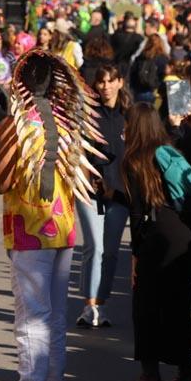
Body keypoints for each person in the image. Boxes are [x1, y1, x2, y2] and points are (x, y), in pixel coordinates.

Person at [0, 49, 101, 381]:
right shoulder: (68, 120)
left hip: (29, 227)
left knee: (31, 319)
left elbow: (0, 180)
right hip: (62, 226)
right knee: (56, 318)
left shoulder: (18, 123)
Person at [121, 103, 191, 381]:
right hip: (186, 234)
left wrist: (135, 255)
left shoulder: (134, 159)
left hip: (158, 235)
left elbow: (137, 212)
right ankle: (187, 375)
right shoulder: (170, 152)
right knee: (178, 307)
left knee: (145, 306)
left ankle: (150, 375)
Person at [76, 62, 130, 328]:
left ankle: (102, 303)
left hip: (120, 193)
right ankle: (90, 306)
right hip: (90, 190)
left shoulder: (129, 115)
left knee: (110, 252)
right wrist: (91, 177)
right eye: (101, 81)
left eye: (111, 81)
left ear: (120, 82)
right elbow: (77, 152)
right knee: (94, 247)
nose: (106, 86)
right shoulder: (88, 114)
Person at [129, 32, 167, 104]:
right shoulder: (163, 58)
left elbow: (133, 72)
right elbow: (164, 75)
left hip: (139, 90)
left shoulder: (141, 56)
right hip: (155, 91)